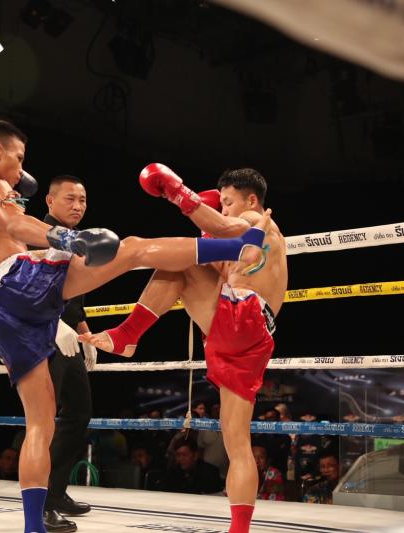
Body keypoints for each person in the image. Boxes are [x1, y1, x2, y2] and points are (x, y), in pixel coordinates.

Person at [0, 121, 270, 533]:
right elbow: (16, 226)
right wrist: (68, 239)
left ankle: (33, 527)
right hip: (21, 282)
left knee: (39, 425)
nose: (20, 169)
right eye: (18, 157)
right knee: (133, 248)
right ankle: (238, 246)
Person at [82, 165, 287, 533]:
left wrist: (177, 192)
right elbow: (222, 253)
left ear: (251, 200)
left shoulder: (256, 219)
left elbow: (222, 228)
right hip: (253, 338)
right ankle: (239, 529)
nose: (224, 209)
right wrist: (208, 233)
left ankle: (128, 334)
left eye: (228, 202)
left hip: (244, 317)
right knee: (237, 443)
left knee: (180, 265)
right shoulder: (248, 246)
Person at [38, 176, 97, 532]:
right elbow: (24, 287)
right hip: (41, 334)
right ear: (50, 201)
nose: (78, 206)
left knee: (79, 413)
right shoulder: (37, 234)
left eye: (83, 199)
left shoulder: (78, 239)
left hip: (69, 336)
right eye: (70, 199)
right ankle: (41, 506)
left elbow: (74, 292)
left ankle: (56, 492)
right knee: (44, 421)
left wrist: (84, 329)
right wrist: (53, 323)